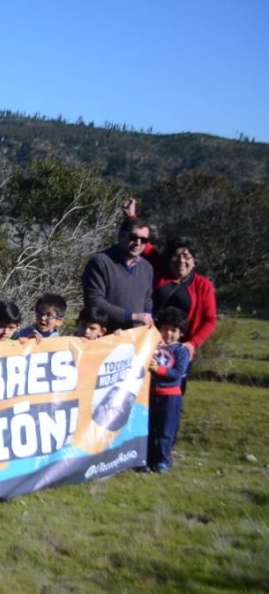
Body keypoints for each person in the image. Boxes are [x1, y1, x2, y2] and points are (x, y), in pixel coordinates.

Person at [121, 199, 217, 360]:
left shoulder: (202, 285)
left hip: (179, 350)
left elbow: (210, 320)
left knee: (171, 385)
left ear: (194, 261)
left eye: (187, 257)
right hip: (147, 342)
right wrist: (131, 216)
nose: (181, 262)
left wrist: (192, 344)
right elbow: (144, 244)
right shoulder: (158, 268)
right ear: (168, 258)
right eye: (176, 257)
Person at [81, 217, 154, 332]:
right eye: (133, 237)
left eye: (144, 240)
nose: (138, 243)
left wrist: (149, 320)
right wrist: (132, 316)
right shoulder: (100, 262)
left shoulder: (147, 268)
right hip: (106, 337)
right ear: (121, 235)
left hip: (136, 340)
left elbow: (147, 301)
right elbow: (94, 301)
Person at [146, 307, 191, 474]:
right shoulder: (153, 347)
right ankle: (148, 459)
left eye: (173, 330)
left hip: (171, 397)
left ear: (181, 333)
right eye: (164, 328)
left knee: (166, 431)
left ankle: (162, 461)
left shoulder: (182, 351)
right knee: (150, 428)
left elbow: (178, 372)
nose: (168, 333)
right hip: (151, 395)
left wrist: (159, 370)